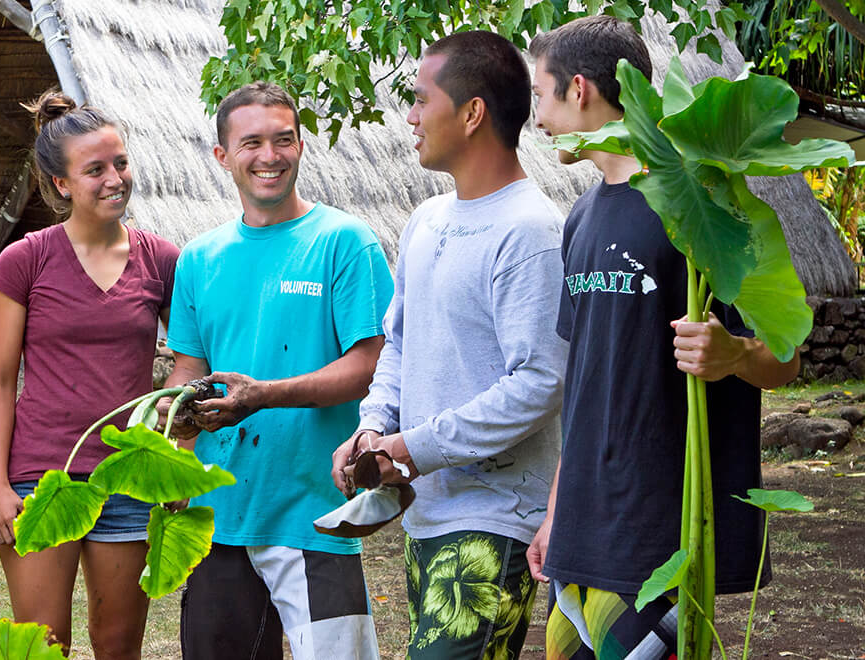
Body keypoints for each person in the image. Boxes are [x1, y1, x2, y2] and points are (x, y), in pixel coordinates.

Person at [526, 16, 800, 658]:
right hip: (581, 534)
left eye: (541, 94)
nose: (535, 118)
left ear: (581, 90)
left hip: (659, 531)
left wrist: (733, 354)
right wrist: (557, 512)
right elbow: (587, 384)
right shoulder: (580, 218)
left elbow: (785, 357)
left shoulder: (699, 204)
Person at [330, 31, 568, 659]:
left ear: (471, 113)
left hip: (496, 517)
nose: (408, 116)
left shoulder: (531, 232)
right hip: (426, 513)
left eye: (419, 99)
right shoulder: (426, 220)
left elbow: (539, 382)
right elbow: (399, 345)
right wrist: (372, 428)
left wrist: (413, 448)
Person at [163, 81, 393, 660]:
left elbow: (374, 365)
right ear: (223, 156)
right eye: (252, 143)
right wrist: (174, 438)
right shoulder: (199, 257)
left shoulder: (344, 242)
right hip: (221, 515)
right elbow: (189, 368)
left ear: (300, 145)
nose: (270, 156)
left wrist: (264, 395)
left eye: (284, 139)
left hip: (314, 512)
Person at [0, 91, 179, 658]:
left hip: (126, 479)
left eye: (120, 163)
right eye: (95, 169)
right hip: (38, 479)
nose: (115, 178)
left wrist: (171, 457)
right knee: (44, 646)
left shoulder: (160, 259)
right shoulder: (26, 260)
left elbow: (192, 362)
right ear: (62, 183)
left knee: (117, 644)